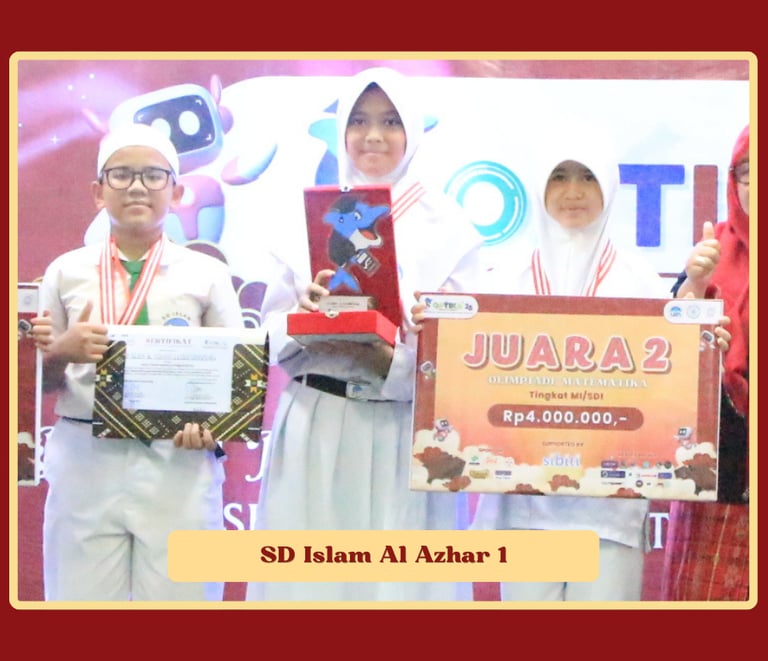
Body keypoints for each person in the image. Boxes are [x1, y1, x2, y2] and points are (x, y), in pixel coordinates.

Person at [462, 125, 730, 601]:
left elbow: (672, 385)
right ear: (539, 185)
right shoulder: (499, 279)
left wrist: (702, 339)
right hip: (523, 508)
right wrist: (436, 329)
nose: (573, 192)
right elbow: (465, 378)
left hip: (609, 512)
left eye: (587, 177)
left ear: (608, 186)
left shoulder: (640, 282)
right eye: (559, 176)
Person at [246, 67, 484, 602]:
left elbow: (462, 360)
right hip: (316, 420)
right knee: (307, 589)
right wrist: (304, 317)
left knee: (402, 591)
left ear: (413, 131)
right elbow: (268, 338)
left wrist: (396, 354)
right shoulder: (305, 218)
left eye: (390, 121)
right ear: (341, 131)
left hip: (404, 431)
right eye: (359, 120)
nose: (373, 135)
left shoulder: (452, 229)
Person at [31, 123, 244, 601]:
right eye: (121, 174)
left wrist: (212, 427)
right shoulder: (65, 271)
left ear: (177, 191)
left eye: (153, 175)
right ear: (97, 191)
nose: (137, 187)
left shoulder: (208, 274)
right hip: (86, 458)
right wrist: (61, 353)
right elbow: (34, 385)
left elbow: (236, 375)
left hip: (178, 460)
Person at [659, 125, 750, 601]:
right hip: (719, 479)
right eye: (748, 173)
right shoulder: (711, 254)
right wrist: (695, 285)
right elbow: (665, 353)